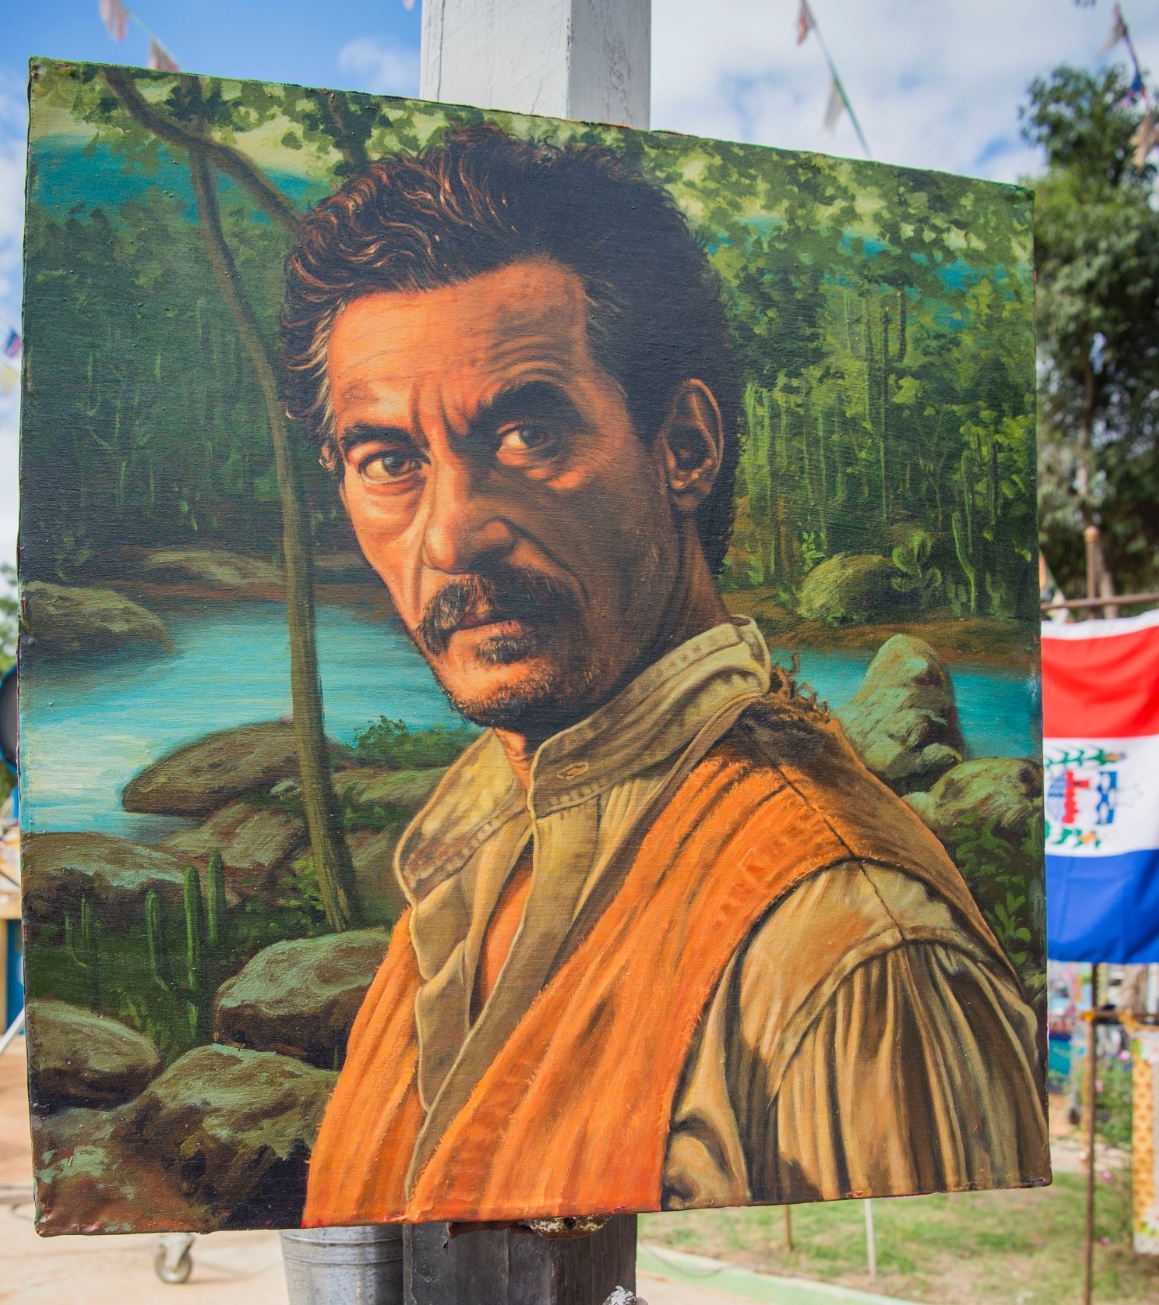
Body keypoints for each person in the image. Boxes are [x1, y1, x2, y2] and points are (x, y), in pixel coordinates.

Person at [280, 127, 1047, 1224]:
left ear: (683, 447)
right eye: (390, 462)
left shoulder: (851, 948)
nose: (452, 535)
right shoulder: (463, 856)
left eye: (525, 435)